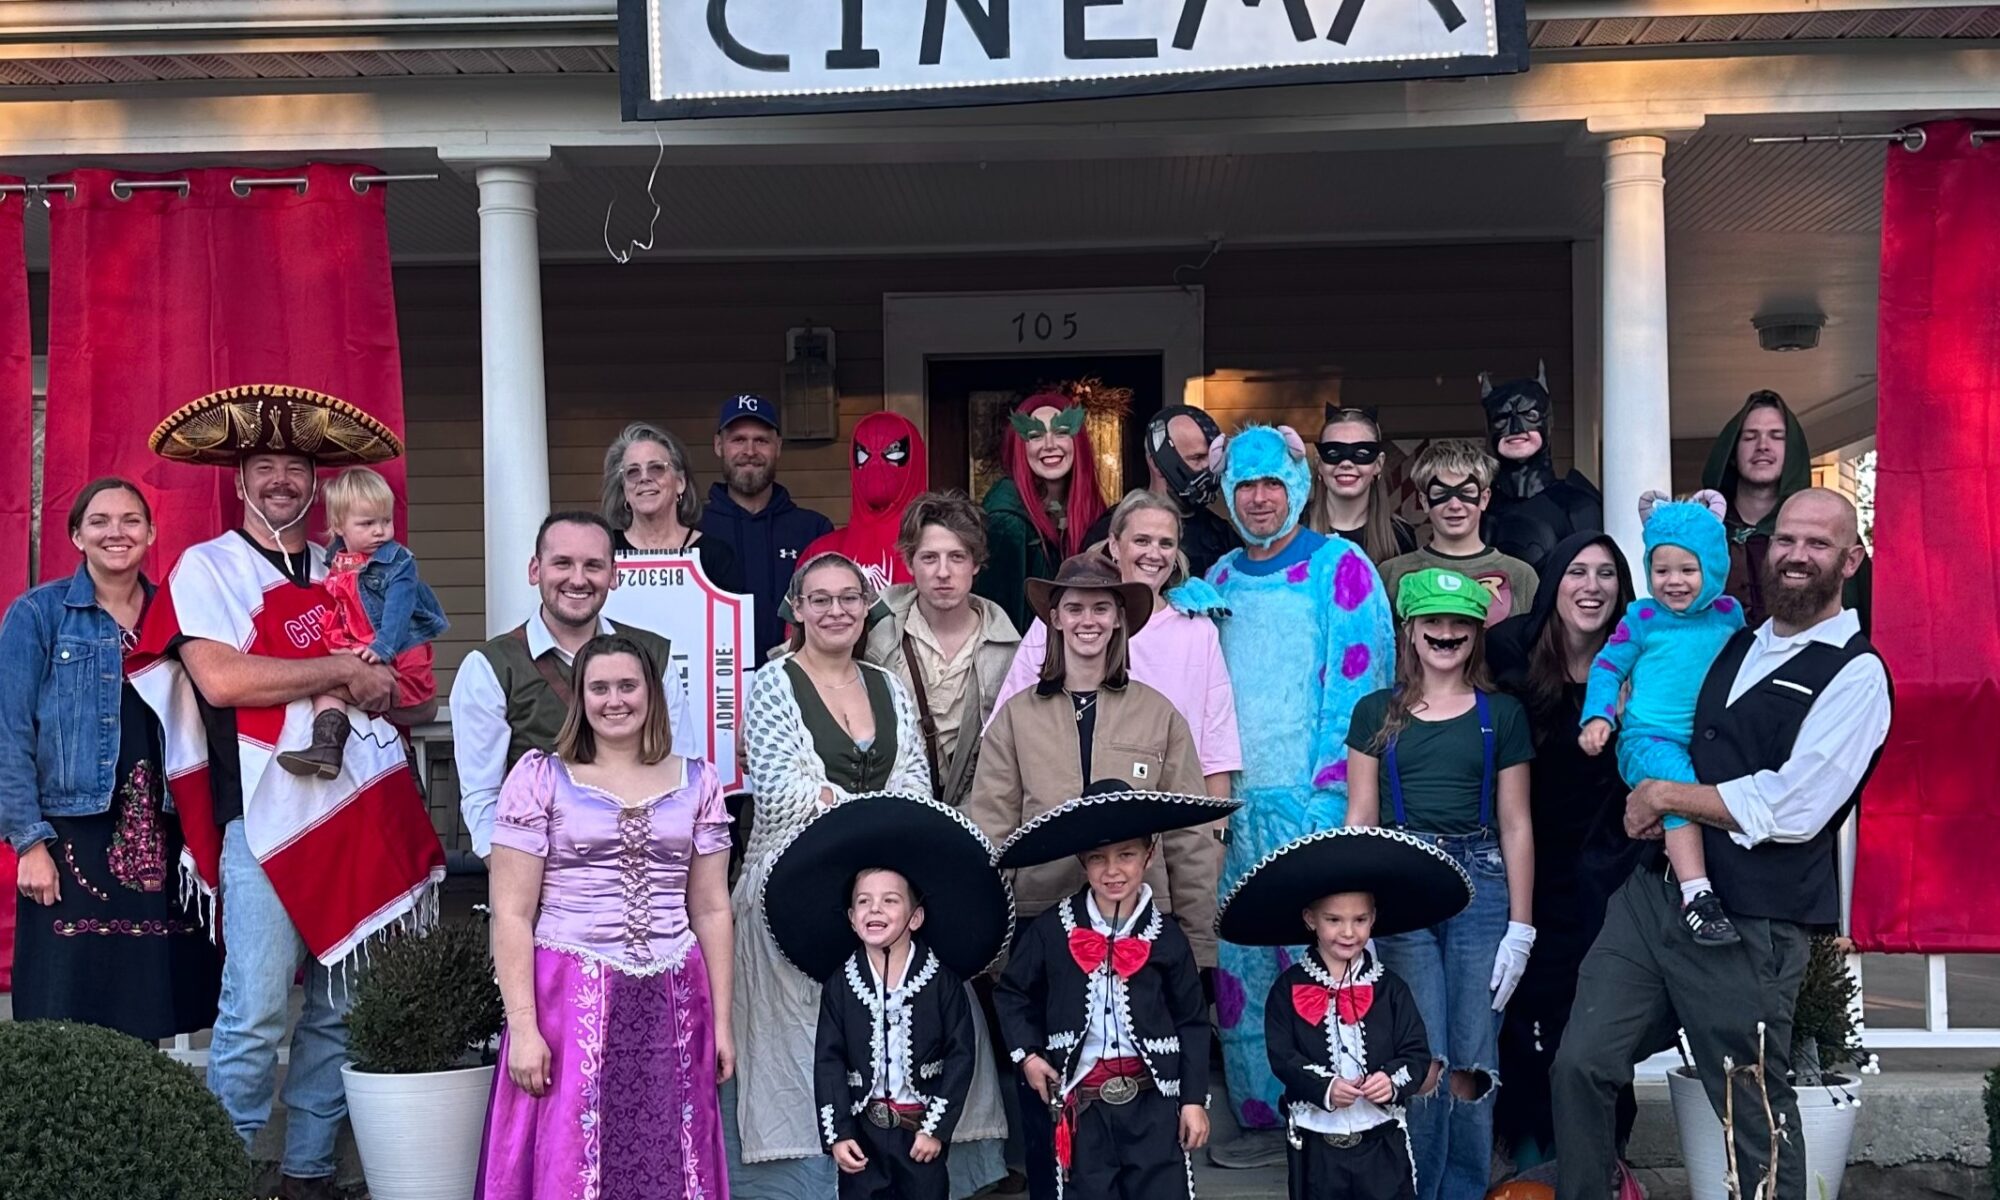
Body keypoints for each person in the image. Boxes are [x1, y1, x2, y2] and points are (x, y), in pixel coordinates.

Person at [127, 384, 445, 1200]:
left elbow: (416, 690)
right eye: (263, 467)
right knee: (256, 1013)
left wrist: (385, 681)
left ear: (316, 482)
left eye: (293, 467)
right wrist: (341, 669)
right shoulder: (208, 567)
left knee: (339, 1011)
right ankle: (223, 1178)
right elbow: (223, 679)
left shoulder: (354, 564)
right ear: (239, 482)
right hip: (260, 822)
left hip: (360, 811)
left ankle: (306, 1174)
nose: (279, 481)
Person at [1552, 489, 1893, 1200]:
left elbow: (1793, 807)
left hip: (1753, 921)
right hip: (1653, 900)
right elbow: (1656, 721)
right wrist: (1640, 795)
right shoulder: (1728, 636)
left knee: (1750, 1108)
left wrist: (1666, 798)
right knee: (1580, 1064)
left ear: (1851, 559)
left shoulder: (1856, 674)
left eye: (1819, 543)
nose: (1798, 554)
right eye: (1786, 539)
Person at [736, 552, 1010, 1199]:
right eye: (820, 599)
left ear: (867, 608)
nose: (836, 611)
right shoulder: (772, 683)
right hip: (791, 880)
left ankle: (926, 1150)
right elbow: (782, 790)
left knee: (930, 997)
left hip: (885, 882)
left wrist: (874, 828)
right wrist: (866, 817)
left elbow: (915, 779)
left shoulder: (884, 685)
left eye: (849, 598)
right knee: (811, 1028)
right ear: (797, 610)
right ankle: (810, 1175)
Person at [966, 554, 1224, 1200]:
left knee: (1145, 1110)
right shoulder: (1019, 716)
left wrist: (1198, 945)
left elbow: (1191, 839)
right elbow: (989, 833)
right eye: (1074, 607)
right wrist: (996, 952)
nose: (1087, 619)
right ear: (1054, 618)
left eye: (1101, 607)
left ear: (1119, 621)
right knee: (1051, 1102)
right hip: (1042, 932)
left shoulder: (1158, 714)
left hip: (1141, 933)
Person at [477, 635, 733, 1198]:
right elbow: (513, 913)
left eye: (627, 686)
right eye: (599, 687)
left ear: (651, 694)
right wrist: (522, 1027)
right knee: (574, 1153)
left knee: (670, 1148)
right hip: (567, 994)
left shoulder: (698, 780)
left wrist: (722, 1023)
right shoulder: (540, 777)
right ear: (580, 697)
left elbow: (712, 908)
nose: (614, 700)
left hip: (674, 994)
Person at [1203, 424, 1396, 1166]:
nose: (1258, 499)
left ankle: (1339, 1108)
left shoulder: (1339, 568)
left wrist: (1334, 794)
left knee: (1322, 960)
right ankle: (1262, 1112)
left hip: (1311, 803)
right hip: (1230, 807)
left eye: (1271, 485)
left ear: (1299, 488)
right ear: (1226, 493)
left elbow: (1361, 685)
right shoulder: (1215, 579)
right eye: (1244, 486)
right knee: (1243, 963)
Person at [1, 478, 220, 1040]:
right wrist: (29, 842)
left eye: (130, 520)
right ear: (77, 535)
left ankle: (142, 1123)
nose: (115, 532)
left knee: (150, 1003)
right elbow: (10, 734)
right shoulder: (39, 615)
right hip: (72, 835)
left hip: (164, 834)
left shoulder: (178, 617)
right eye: (99, 521)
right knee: (64, 1005)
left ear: (150, 534)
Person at [1344, 569, 1536, 1200]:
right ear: (1411, 629)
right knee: (1418, 1051)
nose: (1447, 633)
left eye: (1460, 624)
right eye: (1435, 622)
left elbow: (1515, 823)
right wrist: (1356, 914)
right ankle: (1417, 1188)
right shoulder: (1376, 712)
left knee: (1476, 1052)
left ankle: (1465, 1188)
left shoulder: (1501, 714)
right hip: (1402, 881)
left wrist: (1522, 927)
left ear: (1477, 633)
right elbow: (1361, 820)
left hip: (1482, 882)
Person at [759, 794, 1013, 1200]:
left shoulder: (941, 982)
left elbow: (961, 1056)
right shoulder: (842, 984)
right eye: (863, 902)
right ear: (851, 919)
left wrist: (936, 1128)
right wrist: (838, 1133)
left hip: (920, 1136)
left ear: (915, 917)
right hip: (864, 1135)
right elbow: (829, 1060)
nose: (874, 909)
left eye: (889, 901)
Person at [994, 784, 1234, 1200]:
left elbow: (1193, 1022)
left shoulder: (1168, 937)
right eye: (1098, 859)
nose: (1113, 871)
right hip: (1082, 1108)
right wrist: (1029, 1056)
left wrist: (1193, 1100)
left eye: (1125, 855)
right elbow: (1012, 992)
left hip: (1154, 1103)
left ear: (1149, 854)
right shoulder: (1053, 929)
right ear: (1081, 862)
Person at [1487, 532, 1640, 1170]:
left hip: (1610, 866)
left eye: (1607, 573)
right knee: (1525, 1012)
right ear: (1554, 583)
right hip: (1528, 860)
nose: (1592, 586)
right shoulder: (1511, 651)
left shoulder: (1640, 661)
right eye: (1578, 571)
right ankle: (1526, 1148)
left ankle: (1601, 1154)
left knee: (1600, 1017)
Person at [1217, 827, 1476, 1200]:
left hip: (1382, 1140)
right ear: (1310, 920)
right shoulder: (1288, 990)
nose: (1348, 932)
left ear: (1373, 919)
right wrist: (1324, 1086)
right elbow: (1283, 1056)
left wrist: (1392, 1081)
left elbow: (1416, 1052)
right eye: (1334, 920)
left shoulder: (1391, 989)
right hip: (1317, 1145)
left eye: (1359, 920)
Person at [450, 511, 700, 861]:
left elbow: (681, 773)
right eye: (562, 563)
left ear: (614, 575)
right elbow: (483, 797)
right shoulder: (490, 668)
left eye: (593, 565)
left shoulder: (654, 656)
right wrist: (514, 885)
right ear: (535, 570)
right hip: (544, 874)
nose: (578, 579)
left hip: (646, 870)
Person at [991, 489, 1243, 814]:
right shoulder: (1068, 621)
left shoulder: (1198, 631)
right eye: (1141, 540)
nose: (1154, 553)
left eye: (1165, 543)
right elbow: (1005, 728)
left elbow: (1216, 747)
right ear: (1114, 544)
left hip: (1172, 824)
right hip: (1064, 817)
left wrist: (1216, 835)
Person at [1578, 491, 1746, 946]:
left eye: (1688, 570)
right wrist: (1598, 717)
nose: (1674, 581)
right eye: (1661, 570)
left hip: (1706, 739)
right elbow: (1609, 665)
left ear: (1712, 569)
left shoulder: (1730, 616)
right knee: (1677, 785)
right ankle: (1697, 896)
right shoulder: (1644, 617)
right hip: (1649, 740)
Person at [276, 465, 447, 779]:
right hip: (366, 649)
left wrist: (382, 647)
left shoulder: (396, 563)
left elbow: (398, 610)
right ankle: (330, 747)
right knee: (335, 684)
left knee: (328, 685)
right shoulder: (339, 562)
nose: (380, 531)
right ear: (340, 526)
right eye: (367, 523)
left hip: (399, 655)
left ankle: (335, 747)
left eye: (385, 521)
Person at [862, 491, 1022, 808]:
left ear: (976, 564)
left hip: (974, 816)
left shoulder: (1009, 650)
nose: (943, 572)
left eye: (957, 557)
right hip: (888, 812)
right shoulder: (875, 629)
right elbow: (808, 664)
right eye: (930, 558)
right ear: (909, 561)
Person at [1700, 390, 1872, 631]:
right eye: (1750, 437)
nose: (1762, 446)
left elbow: (1861, 620)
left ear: (1792, 450)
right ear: (1732, 452)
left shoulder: (1830, 532)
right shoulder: (1702, 534)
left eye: (1776, 437)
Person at [701, 392, 834, 662]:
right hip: (717, 688)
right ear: (718, 445)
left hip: (798, 685)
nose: (749, 451)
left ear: (778, 447)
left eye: (761, 440)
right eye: (738, 440)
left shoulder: (813, 530)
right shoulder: (692, 530)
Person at [975, 392, 1109, 631]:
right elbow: (999, 623)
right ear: (1020, 448)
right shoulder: (1006, 523)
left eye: (1061, 432)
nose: (1049, 445)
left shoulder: (1089, 511)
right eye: (1035, 436)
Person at [1380, 439, 1538, 628]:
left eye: (1466, 492)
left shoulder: (1521, 576)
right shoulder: (1391, 574)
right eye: (1441, 494)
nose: (1455, 505)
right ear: (1423, 501)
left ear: (1484, 498)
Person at [1078, 405, 1241, 580]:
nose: (1209, 469)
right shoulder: (1111, 529)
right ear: (1157, 464)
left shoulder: (1222, 536)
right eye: (1197, 458)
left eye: (1212, 459)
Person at [1477, 366, 1603, 574]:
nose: (1516, 428)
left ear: (1547, 421)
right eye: (1502, 419)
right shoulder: (1476, 506)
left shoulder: (1578, 503)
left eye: (1530, 415)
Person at [602, 420, 745, 593]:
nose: (644, 478)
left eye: (656, 468)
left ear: (680, 483)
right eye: (633, 471)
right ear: (624, 489)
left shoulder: (716, 555)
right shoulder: (603, 550)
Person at [800, 411, 931, 593]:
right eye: (864, 455)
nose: (876, 464)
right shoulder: (822, 553)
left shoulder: (940, 554)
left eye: (892, 453)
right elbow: (797, 618)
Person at [1305, 406, 1418, 564]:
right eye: (1333, 453)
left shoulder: (1400, 536)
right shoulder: (1294, 528)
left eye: (1361, 454)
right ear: (1319, 463)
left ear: (1378, 464)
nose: (1346, 463)